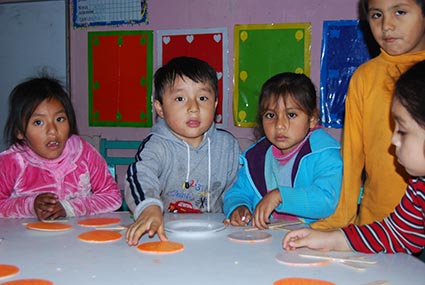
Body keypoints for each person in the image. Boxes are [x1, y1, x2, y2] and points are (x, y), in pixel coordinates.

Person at [283, 60, 425, 255]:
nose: (393, 140)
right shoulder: (419, 187)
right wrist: (332, 239)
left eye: (402, 130)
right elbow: (396, 234)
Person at [312, 0, 425, 230]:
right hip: (376, 225)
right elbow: (352, 156)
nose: (386, 26)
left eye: (400, 12)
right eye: (376, 15)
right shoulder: (364, 78)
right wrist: (343, 217)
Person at [124, 56, 240, 245]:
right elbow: (139, 177)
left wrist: (240, 205)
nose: (193, 108)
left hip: (215, 237)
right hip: (165, 232)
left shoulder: (228, 146)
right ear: (160, 108)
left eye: (203, 98)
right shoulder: (156, 145)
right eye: (180, 98)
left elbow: (238, 187)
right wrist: (148, 208)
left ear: (216, 104)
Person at [223, 72, 343, 229]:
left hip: (314, 238)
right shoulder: (255, 158)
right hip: (268, 240)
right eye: (270, 115)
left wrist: (280, 196)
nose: (279, 125)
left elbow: (326, 200)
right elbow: (238, 192)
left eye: (291, 115)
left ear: (312, 119)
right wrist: (239, 207)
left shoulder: (325, 154)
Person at [0, 75, 122, 220]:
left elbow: (113, 197)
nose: (52, 130)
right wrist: (30, 206)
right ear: (19, 131)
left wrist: (69, 208)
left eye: (59, 119)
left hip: (79, 238)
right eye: (38, 122)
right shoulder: (11, 161)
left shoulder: (82, 152)